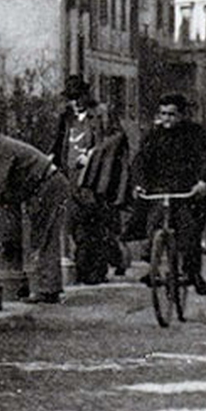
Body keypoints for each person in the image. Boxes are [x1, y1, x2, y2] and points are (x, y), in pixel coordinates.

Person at [129, 92, 206, 296]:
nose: (166, 119)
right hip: (160, 189)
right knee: (152, 224)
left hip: (187, 191)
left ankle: (193, 273)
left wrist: (202, 182)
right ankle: (153, 265)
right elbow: (140, 162)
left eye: (171, 114)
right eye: (162, 114)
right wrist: (139, 184)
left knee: (190, 233)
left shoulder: (195, 133)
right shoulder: (153, 135)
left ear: (182, 115)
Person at [53, 77, 132, 284]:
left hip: (94, 177)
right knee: (77, 224)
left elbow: (117, 139)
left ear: (86, 95)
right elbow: (59, 143)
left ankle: (97, 270)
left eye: (78, 97)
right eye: (72, 98)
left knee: (94, 224)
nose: (76, 102)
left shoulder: (102, 114)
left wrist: (93, 154)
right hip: (71, 175)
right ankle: (88, 269)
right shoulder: (66, 117)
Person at [0, 129, 71, 305]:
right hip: (49, 182)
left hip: (47, 185)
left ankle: (48, 289)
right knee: (44, 236)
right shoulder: (4, 144)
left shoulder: (0, 148)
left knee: (44, 237)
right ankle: (47, 287)